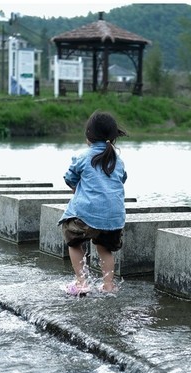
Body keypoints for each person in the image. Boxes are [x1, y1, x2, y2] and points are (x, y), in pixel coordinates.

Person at [59, 111, 128, 296]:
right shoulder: (118, 160)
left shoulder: (82, 156)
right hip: (114, 218)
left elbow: (69, 178)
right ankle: (108, 285)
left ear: (88, 135)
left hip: (87, 215)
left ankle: (81, 283)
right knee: (105, 248)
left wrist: (78, 191)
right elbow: (122, 180)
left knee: (73, 239)